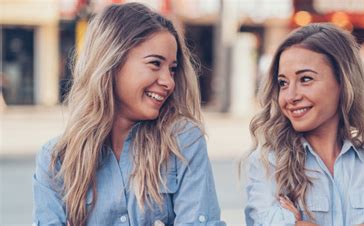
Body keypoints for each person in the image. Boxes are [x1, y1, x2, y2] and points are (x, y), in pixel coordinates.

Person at [33, 3, 225, 225]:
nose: (169, 82)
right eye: (155, 64)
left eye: (172, 69)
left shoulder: (183, 141)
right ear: (112, 62)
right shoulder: (55, 160)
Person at [244, 23, 364, 225]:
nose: (290, 96)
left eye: (306, 79)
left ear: (343, 83)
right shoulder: (269, 164)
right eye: (283, 83)